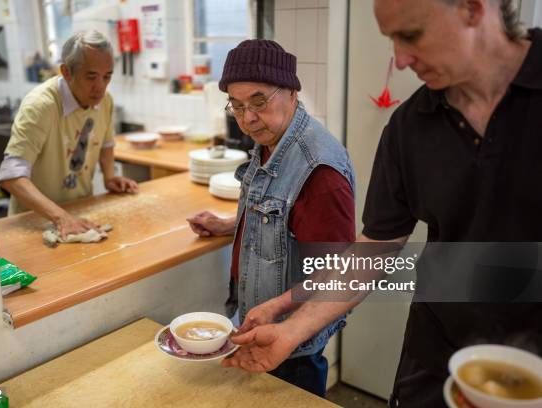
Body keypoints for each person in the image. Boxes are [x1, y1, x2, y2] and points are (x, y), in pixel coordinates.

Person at [221, 1, 542, 406]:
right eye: (392, 40)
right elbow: (374, 250)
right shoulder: (410, 126)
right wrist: (291, 330)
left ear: (473, 9)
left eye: (411, 35)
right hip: (435, 359)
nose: (401, 60)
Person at [186, 39, 356, 397]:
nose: (247, 118)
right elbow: (281, 219)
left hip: (290, 339)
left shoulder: (319, 172)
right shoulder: (271, 140)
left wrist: (282, 314)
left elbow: (337, 275)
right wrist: (230, 226)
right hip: (259, 320)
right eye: (237, 105)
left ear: (292, 92)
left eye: (259, 101)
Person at [0, 30, 138, 238]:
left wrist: (109, 177)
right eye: (91, 76)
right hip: (33, 223)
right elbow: (11, 177)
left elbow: (106, 143)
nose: (100, 87)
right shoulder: (41, 106)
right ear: (66, 72)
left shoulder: (104, 101)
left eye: (107, 77)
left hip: (80, 214)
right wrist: (60, 217)